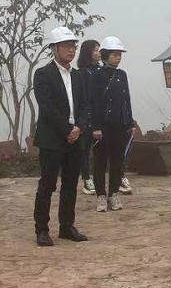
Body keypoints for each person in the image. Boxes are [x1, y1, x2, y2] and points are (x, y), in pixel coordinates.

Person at [33, 26, 89, 246]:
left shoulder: (78, 76)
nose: (70, 50)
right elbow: (47, 107)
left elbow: (84, 105)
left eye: (73, 46)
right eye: (65, 46)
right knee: (47, 185)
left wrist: (79, 128)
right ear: (54, 49)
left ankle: (66, 226)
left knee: (70, 184)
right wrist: (67, 130)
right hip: (52, 139)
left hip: (75, 138)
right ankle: (42, 229)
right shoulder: (43, 74)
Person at [90, 36, 135, 212]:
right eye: (114, 54)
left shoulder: (122, 75)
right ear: (105, 55)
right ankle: (101, 195)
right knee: (100, 162)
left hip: (120, 125)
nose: (118, 58)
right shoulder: (97, 76)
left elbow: (126, 100)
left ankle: (113, 193)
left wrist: (130, 123)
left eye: (119, 55)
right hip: (103, 126)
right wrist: (95, 127)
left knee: (117, 161)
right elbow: (93, 102)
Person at [76, 39, 102, 195]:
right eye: (95, 49)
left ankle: (105, 178)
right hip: (86, 119)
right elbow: (83, 98)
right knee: (84, 150)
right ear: (87, 52)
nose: (98, 53)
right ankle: (86, 178)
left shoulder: (102, 71)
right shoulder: (81, 74)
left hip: (101, 118)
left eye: (99, 49)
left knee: (102, 151)